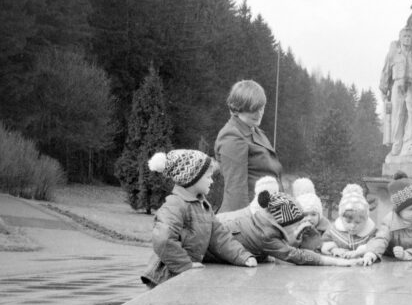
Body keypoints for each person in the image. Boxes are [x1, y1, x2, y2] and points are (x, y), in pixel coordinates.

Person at [140, 149, 256, 287]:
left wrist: (242, 256)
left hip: (183, 273)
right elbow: (163, 239)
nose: (211, 181)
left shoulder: (203, 206)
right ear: (192, 178)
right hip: (165, 276)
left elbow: (219, 237)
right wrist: (185, 264)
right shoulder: (175, 204)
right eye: (208, 177)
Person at [217, 190, 356, 267]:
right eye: (295, 223)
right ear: (283, 223)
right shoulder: (266, 235)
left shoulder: (259, 218)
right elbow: (295, 255)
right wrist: (337, 262)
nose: (298, 225)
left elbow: (249, 240)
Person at [214, 79, 283, 212]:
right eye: (253, 110)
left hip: (265, 214)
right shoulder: (231, 137)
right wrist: (243, 228)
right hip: (248, 219)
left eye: (261, 108)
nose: (259, 114)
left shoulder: (255, 130)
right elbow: (236, 191)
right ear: (237, 108)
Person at [364, 174, 412, 262]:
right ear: (399, 211)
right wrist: (372, 253)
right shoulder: (389, 220)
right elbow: (381, 238)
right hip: (391, 258)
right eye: (411, 209)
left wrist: (406, 254)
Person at [379, 27, 412, 157]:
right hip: (397, 86)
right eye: (405, 36)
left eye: (409, 36)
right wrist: (383, 89)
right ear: (400, 38)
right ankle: (397, 145)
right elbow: (386, 71)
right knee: (397, 116)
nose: (407, 38)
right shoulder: (392, 54)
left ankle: (411, 145)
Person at [322, 184, 377, 258]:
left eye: (357, 222)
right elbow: (324, 241)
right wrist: (333, 249)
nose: (353, 226)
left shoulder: (371, 233)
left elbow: (377, 245)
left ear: (366, 220)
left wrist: (363, 252)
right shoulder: (333, 230)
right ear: (341, 218)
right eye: (348, 222)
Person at [291, 178, 327, 251]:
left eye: (313, 214)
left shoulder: (325, 227)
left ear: (319, 216)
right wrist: (298, 231)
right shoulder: (294, 227)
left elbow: (329, 240)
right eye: (305, 215)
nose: (309, 218)